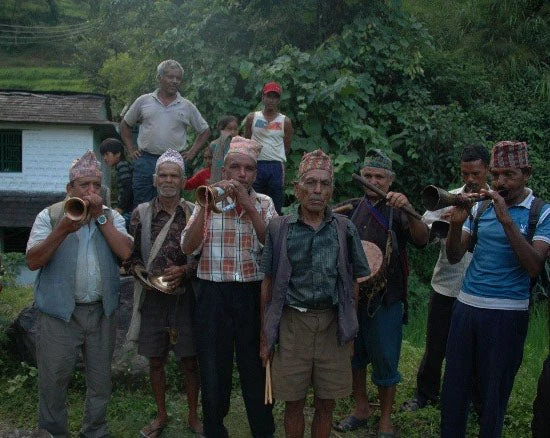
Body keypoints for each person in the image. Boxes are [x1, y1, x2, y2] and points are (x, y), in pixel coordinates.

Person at [441, 140, 550, 437]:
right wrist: (455, 225)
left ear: (526, 173)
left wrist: (506, 220)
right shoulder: (480, 208)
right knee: (454, 389)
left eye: (509, 175)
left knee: (493, 395)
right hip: (466, 307)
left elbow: (533, 266)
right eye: (498, 174)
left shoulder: (541, 212)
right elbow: (454, 257)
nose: (501, 183)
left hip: (507, 314)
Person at [260, 149, 370, 438]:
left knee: (326, 402)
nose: (317, 190)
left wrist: (350, 330)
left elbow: (354, 283)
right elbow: (268, 284)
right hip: (292, 326)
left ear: (332, 190)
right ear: (297, 189)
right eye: (310, 183)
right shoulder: (279, 228)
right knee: (293, 403)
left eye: (324, 184)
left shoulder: (345, 229)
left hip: (333, 326)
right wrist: (266, 335)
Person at [25, 151, 132, 437]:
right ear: (69, 189)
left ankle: (95, 431)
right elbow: (33, 261)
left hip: (100, 313)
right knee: (53, 380)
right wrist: (62, 229)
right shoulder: (49, 215)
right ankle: (52, 432)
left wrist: (100, 219)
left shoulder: (111, 216)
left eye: (97, 185)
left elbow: (127, 254)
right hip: (59, 315)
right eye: (84, 185)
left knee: (100, 381)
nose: (92, 191)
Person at [181, 136, 277, 438]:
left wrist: (249, 207)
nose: (242, 174)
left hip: (251, 296)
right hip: (213, 295)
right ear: (225, 171)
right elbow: (187, 247)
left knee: (255, 369)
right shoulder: (207, 199)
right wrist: (207, 209)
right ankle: (214, 429)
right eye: (235, 167)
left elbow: (272, 246)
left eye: (248, 168)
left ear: (255, 173)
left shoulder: (264, 203)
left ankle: (263, 430)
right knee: (213, 369)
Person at [334, 149, 429, 437]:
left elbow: (422, 239)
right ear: (361, 177)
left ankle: (386, 418)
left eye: (379, 176)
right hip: (353, 298)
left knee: (386, 358)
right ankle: (361, 408)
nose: (373, 180)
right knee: (355, 356)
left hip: (386, 299)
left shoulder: (398, 210)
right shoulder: (351, 208)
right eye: (368, 175)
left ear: (389, 180)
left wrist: (409, 207)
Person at [400, 145, 490, 412]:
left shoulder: (497, 202)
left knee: (477, 350)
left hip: (481, 291)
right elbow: (422, 237)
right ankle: (424, 394)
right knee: (435, 345)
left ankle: (476, 401)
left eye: (476, 173)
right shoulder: (448, 198)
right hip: (446, 286)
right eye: (465, 173)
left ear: (487, 169)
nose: (470, 179)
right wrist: (410, 212)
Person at [125, 149, 201, 437]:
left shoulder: (195, 213)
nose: (169, 180)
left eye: (174, 175)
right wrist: (142, 274)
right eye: (164, 175)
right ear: (155, 179)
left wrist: (185, 271)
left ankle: (194, 416)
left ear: (182, 181)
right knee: (155, 360)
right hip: (153, 299)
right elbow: (130, 257)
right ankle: (161, 415)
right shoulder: (140, 214)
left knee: (189, 360)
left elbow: (204, 256)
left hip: (185, 298)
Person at [121, 59, 210, 205]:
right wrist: (131, 149)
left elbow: (205, 130)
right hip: (145, 160)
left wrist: (192, 152)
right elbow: (125, 124)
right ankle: (143, 228)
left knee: (171, 202)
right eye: (170, 77)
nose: (174, 81)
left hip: (174, 162)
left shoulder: (186, 106)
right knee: (142, 202)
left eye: (178, 78)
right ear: (159, 78)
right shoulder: (143, 101)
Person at [244, 81, 293, 215]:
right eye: (268, 96)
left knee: (275, 203)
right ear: (262, 97)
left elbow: (287, 147)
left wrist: (277, 159)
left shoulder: (285, 121)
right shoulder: (252, 118)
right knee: (253, 200)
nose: (271, 100)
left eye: (275, 97)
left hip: (275, 166)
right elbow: (247, 141)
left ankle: (274, 232)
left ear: (278, 100)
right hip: (256, 165)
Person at [100, 137, 134, 228]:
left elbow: (128, 188)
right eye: (103, 155)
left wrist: (120, 208)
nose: (105, 158)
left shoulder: (122, 165)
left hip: (128, 209)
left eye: (107, 154)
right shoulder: (121, 165)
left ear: (118, 153)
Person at [210, 115, 239, 184]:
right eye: (229, 129)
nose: (233, 132)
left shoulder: (239, 145)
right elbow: (215, 162)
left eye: (235, 129)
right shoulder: (214, 145)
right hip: (217, 175)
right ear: (221, 129)